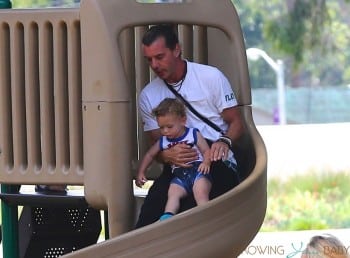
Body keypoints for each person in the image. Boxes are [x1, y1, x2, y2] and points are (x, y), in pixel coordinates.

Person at [136, 24, 243, 228]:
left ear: (177, 49)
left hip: (214, 160)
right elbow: (157, 146)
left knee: (194, 212)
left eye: (160, 57)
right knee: (149, 215)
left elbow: (237, 122)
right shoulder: (148, 95)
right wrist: (167, 155)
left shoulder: (210, 77)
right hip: (178, 168)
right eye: (149, 60)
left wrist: (224, 141)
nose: (154, 65)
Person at [136, 98, 213, 221]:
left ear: (183, 120)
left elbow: (206, 150)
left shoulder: (193, 134)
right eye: (161, 127)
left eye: (169, 127)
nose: (165, 131)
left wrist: (206, 162)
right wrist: (141, 172)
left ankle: (205, 215)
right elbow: (150, 155)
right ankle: (168, 216)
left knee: (200, 192)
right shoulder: (163, 141)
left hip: (198, 172)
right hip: (179, 177)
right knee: (173, 193)